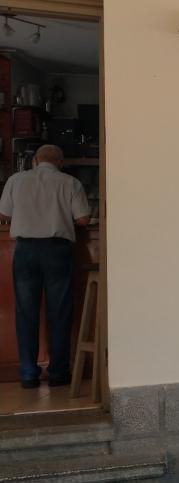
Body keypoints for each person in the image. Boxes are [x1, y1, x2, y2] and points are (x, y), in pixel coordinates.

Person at [0, 144, 91, 389]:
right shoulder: (70, 182)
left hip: (25, 251)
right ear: (59, 162)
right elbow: (83, 219)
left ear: (35, 161)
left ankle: (29, 374)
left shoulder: (16, 180)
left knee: (26, 313)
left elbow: (4, 214)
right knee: (59, 313)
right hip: (57, 250)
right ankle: (58, 373)